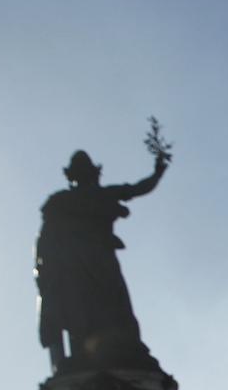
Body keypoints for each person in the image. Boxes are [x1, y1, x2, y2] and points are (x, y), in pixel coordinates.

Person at [36, 147, 168, 371]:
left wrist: (158, 173)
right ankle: (87, 353)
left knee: (110, 304)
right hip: (77, 264)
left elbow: (138, 189)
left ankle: (117, 350)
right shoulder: (64, 202)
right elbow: (46, 239)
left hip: (96, 260)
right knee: (87, 307)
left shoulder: (74, 199)